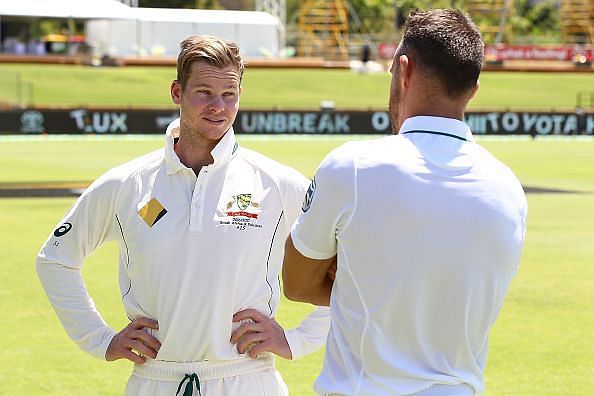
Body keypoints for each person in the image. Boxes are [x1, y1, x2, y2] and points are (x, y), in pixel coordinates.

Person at [36, 35, 329, 396]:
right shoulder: (127, 183)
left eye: (230, 94)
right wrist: (100, 340)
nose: (218, 107)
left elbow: (351, 264)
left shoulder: (276, 182)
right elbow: (55, 260)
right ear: (177, 92)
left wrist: (298, 340)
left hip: (248, 378)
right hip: (155, 380)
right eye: (204, 92)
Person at [283, 9, 527, 396]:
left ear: (404, 70)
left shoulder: (352, 166)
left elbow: (296, 283)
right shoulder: (510, 190)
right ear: (474, 88)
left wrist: (361, 281)